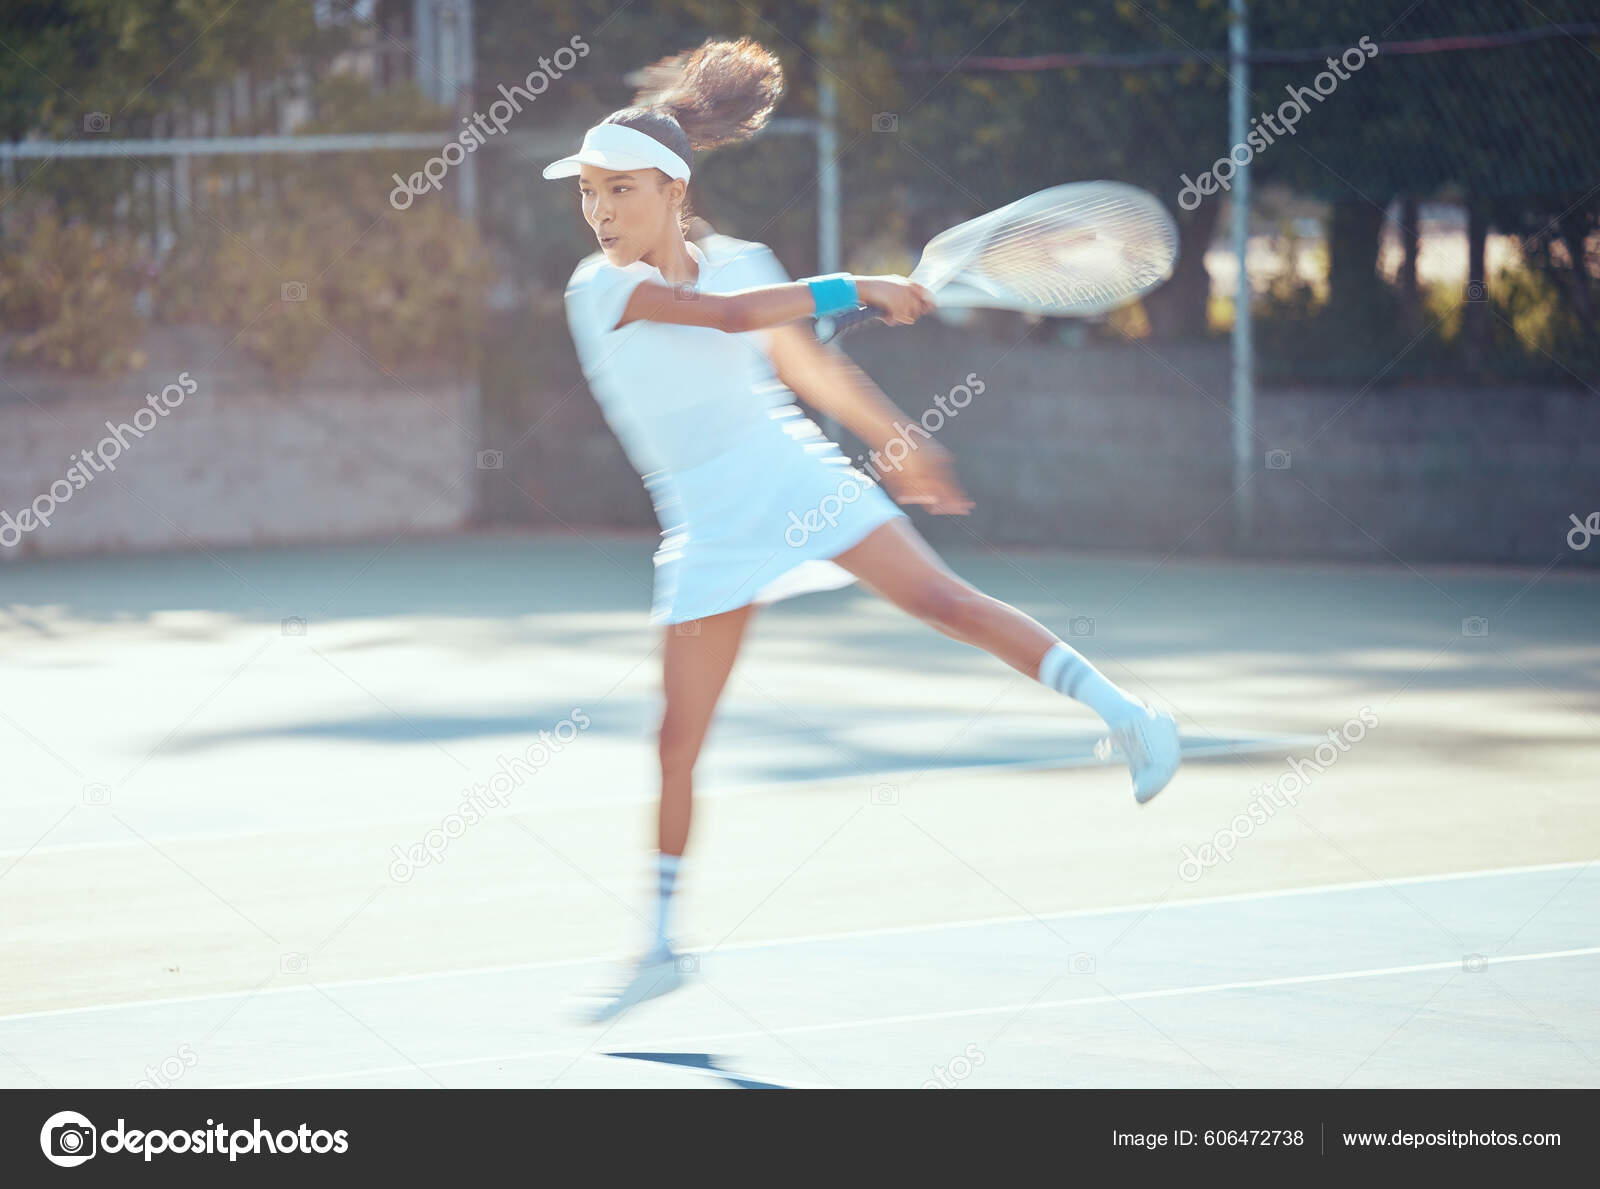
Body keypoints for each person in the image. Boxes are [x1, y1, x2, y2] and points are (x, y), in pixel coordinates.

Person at [545, 37, 1181, 1024]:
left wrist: (899, 441)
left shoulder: (742, 262)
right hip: (706, 524)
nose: (599, 210)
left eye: (619, 190)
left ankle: (1134, 718)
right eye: (587, 191)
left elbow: (808, 371)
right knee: (677, 740)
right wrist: (858, 285)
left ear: (671, 191)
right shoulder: (602, 287)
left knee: (941, 600)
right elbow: (724, 320)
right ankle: (663, 946)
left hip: (792, 473)